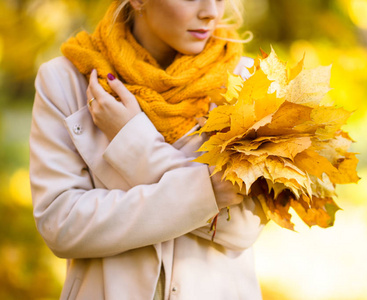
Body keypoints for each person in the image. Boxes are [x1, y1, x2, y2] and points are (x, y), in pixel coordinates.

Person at [29, 0, 266, 299]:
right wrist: (206, 193)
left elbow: (242, 227)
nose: (211, 12)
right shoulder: (66, 80)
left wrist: (133, 142)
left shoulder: (246, 80)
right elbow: (61, 225)